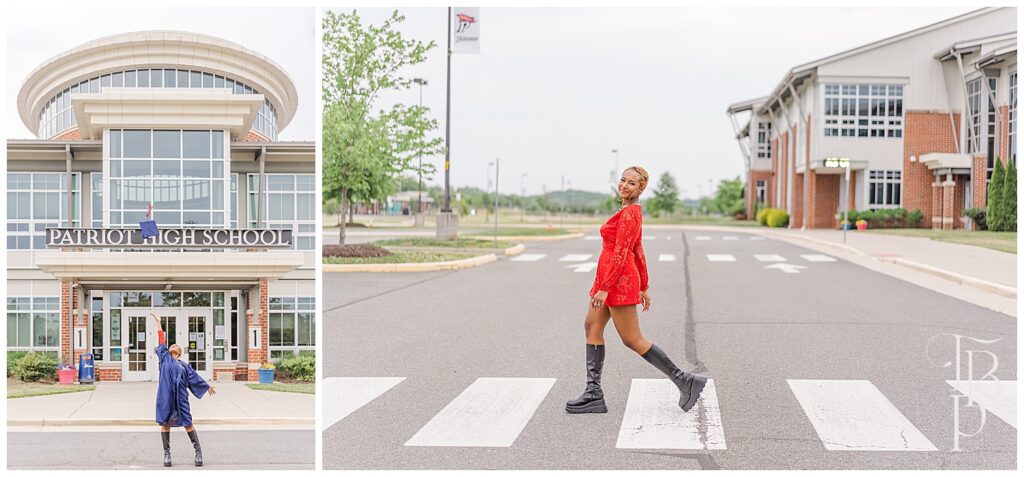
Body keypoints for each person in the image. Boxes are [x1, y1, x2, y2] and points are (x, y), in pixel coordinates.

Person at [566, 166, 708, 414]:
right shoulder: (626, 211)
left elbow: (623, 254)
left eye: (631, 183)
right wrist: (643, 284)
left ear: (641, 188)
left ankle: (684, 380)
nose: (624, 185)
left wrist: (606, 289)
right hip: (609, 278)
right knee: (592, 326)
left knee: (632, 339)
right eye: (622, 180)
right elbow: (638, 249)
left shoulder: (631, 214)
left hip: (617, 281)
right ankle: (593, 393)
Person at [152, 313, 216, 467]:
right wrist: (159, 323)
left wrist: (207, 387)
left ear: (179, 353)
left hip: (181, 399)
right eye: (170, 346)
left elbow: (195, 378)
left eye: (175, 346)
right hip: (166, 398)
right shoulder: (164, 359)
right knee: (165, 424)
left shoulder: (185, 367)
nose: (172, 346)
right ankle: (167, 454)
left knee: (188, 423)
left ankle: (198, 452)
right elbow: (161, 340)